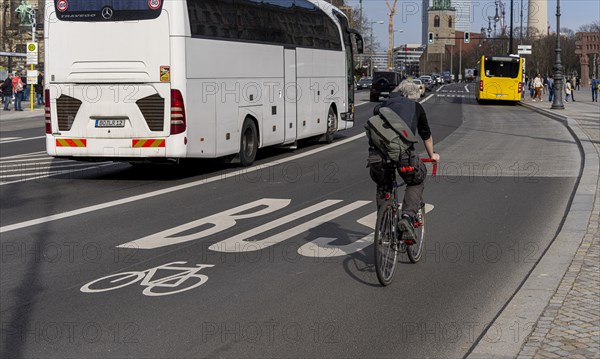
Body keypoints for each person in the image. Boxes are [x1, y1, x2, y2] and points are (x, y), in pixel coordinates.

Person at [368, 81, 440, 240]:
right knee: (416, 180)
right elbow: (426, 136)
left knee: (383, 186)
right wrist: (432, 155)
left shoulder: (382, 106)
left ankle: (384, 229)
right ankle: (407, 218)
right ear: (414, 96)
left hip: (376, 157)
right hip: (404, 156)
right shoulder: (416, 108)